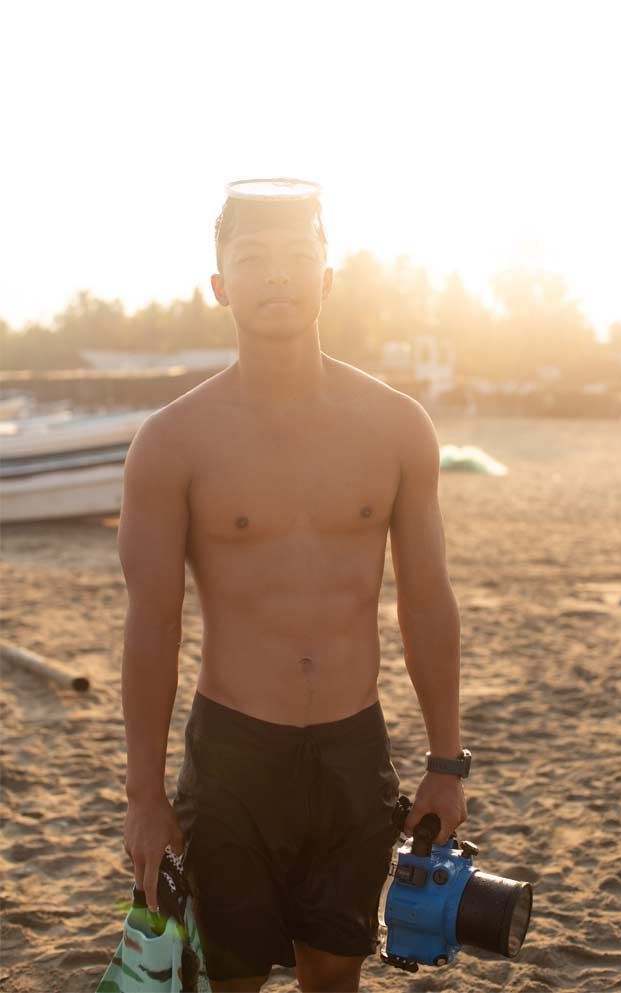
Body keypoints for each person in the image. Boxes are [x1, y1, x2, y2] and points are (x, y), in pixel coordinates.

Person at [120, 178, 467, 993]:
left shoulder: (396, 425)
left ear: (327, 277)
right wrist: (144, 797)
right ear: (220, 286)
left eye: (296, 256)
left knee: (335, 974)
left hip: (353, 749)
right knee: (231, 976)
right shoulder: (173, 441)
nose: (276, 274)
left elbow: (426, 600)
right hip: (234, 754)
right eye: (251, 259)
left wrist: (447, 762)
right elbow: (153, 625)